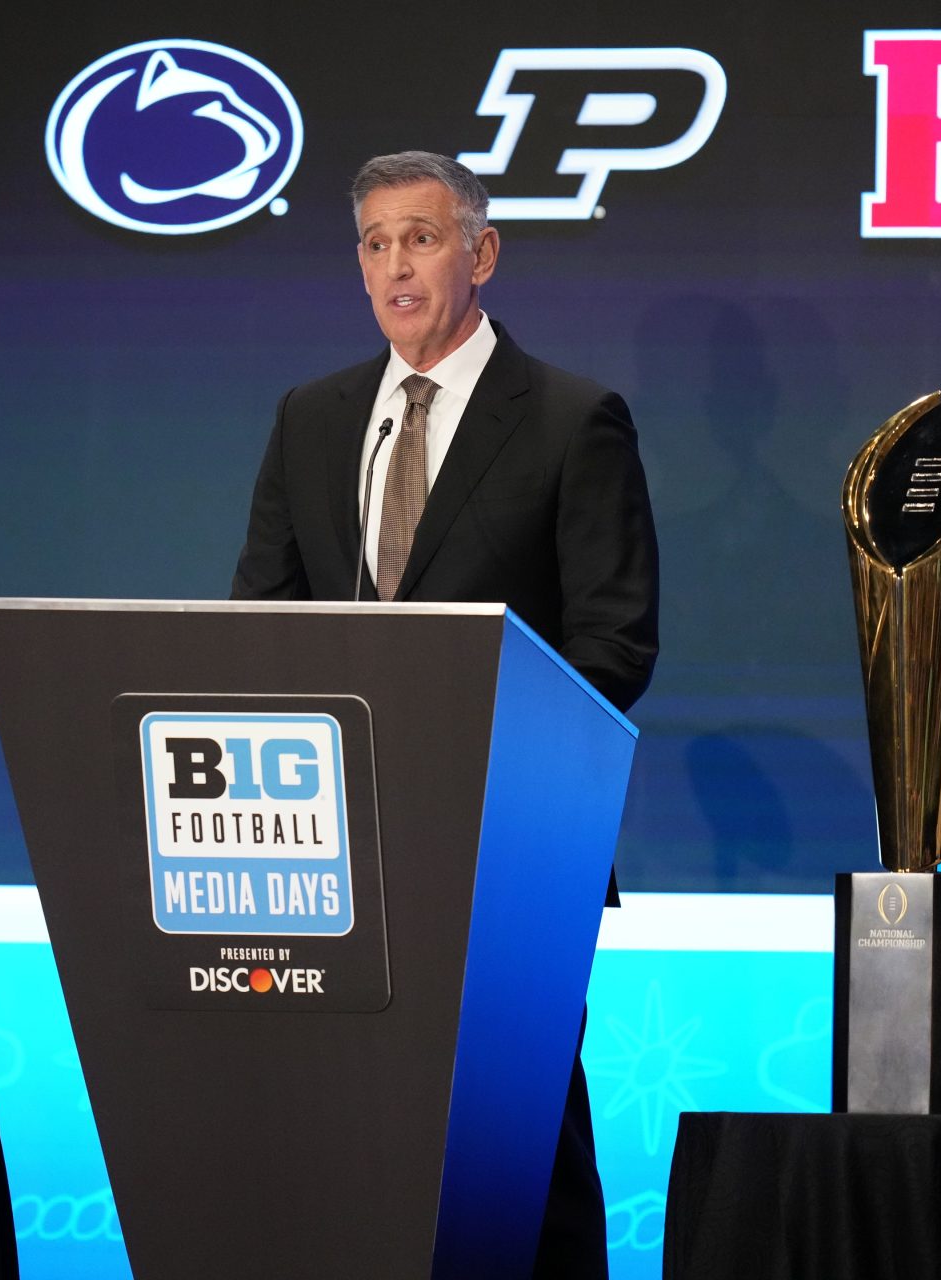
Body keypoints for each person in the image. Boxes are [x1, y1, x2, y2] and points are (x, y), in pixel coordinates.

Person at [230, 151, 658, 1276]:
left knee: (519, 1137)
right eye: (374, 244)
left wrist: (476, 758)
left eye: (420, 238)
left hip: (509, 845)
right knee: (352, 1133)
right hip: (331, 850)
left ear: (483, 253)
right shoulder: (315, 417)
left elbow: (615, 642)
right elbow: (261, 622)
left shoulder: (571, 418)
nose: (395, 266)